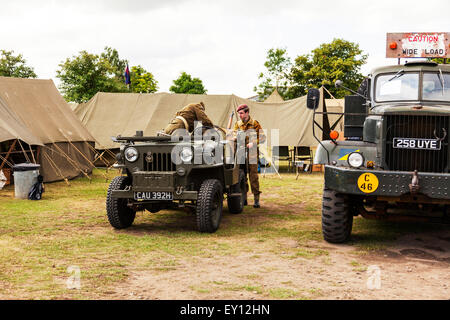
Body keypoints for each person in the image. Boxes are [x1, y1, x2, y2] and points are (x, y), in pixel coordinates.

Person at [233, 104, 266, 208]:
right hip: (241, 152)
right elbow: (234, 134)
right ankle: (244, 198)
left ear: (247, 113)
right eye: (239, 113)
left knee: (253, 176)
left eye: (242, 113)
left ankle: (256, 199)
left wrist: (253, 143)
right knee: (242, 176)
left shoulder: (254, 123)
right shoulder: (238, 124)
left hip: (252, 153)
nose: (240, 115)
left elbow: (263, 138)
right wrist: (234, 138)